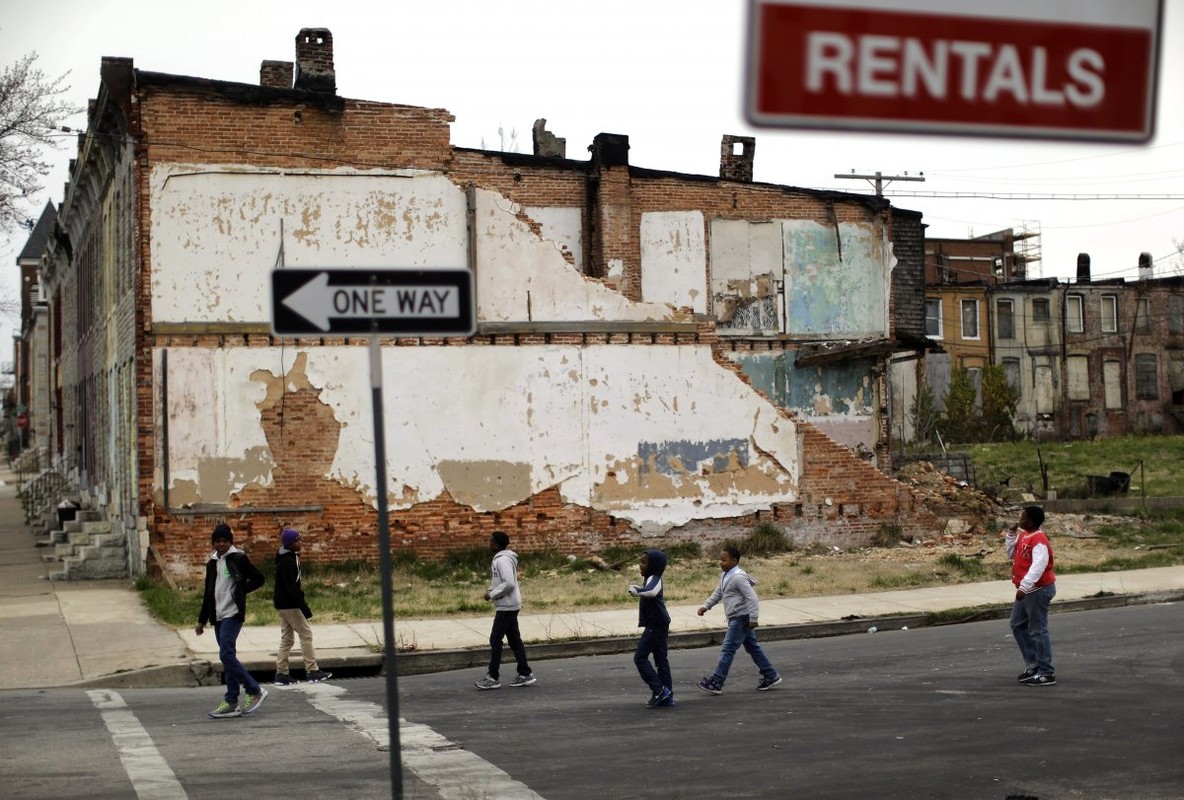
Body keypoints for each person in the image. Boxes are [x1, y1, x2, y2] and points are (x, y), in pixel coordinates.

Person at [196, 523, 269, 718]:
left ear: (230, 542)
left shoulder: (238, 558)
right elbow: (208, 593)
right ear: (213, 543)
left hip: (232, 614)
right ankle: (231, 701)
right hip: (217, 616)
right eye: (217, 541)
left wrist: (240, 591)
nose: (221, 544)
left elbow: (259, 578)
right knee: (228, 658)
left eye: (225, 541)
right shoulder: (212, 563)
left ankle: (254, 690)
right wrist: (202, 620)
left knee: (226, 655)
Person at [696, 545, 782, 695]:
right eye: (720, 559)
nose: (721, 562)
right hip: (737, 617)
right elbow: (719, 592)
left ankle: (717, 681)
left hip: (741, 618)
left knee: (727, 649)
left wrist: (754, 618)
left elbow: (752, 598)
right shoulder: (725, 575)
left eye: (724, 560)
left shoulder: (738, 577)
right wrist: (706, 606)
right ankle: (771, 675)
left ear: (734, 561)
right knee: (753, 648)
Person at [474, 531, 536, 690]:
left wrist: (492, 595)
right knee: (515, 640)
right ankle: (525, 673)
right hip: (509, 604)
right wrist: (491, 589)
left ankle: (493, 677)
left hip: (507, 606)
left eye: (490, 541)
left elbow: (509, 583)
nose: (488, 543)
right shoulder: (504, 559)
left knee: (495, 640)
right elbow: (504, 581)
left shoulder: (502, 560)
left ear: (496, 544)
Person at [273, 527, 332, 685]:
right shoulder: (287, 562)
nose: (300, 543)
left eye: (300, 539)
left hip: (283, 603)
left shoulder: (290, 557)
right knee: (306, 634)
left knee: (287, 638)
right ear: (289, 544)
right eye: (297, 540)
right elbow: (291, 587)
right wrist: (304, 608)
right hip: (289, 604)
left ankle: (281, 673)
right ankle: (312, 670)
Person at [1006, 505, 1057, 686]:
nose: (1019, 521)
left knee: (1037, 630)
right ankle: (1033, 663)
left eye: (1022, 518)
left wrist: (1025, 586)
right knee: (1017, 624)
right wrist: (1011, 535)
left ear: (1031, 521)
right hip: (1027, 590)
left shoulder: (1039, 539)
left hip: (1038, 590)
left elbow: (1039, 565)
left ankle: (1046, 672)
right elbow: (1012, 553)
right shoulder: (1023, 536)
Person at [628, 548, 674, 708]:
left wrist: (637, 590)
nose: (640, 565)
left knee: (640, 658)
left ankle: (660, 691)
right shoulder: (650, 577)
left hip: (657, 625)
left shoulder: (655, 578)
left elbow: (652, 592)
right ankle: (667, 696)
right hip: (658, 623)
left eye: (643, 562)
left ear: (653, 565)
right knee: (661, 660)